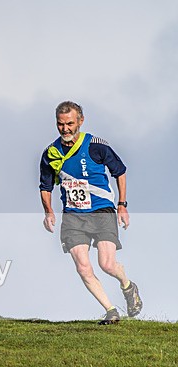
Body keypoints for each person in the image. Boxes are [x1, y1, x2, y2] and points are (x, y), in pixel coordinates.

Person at [39, 101, 142, 325]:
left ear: (80, 121)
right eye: (60, 124)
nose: (65, 129)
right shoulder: (51, 153)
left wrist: (122, 205)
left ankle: (127, 285)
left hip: (102, 211)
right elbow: (45, 186)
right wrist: (48, 212)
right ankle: (111, 311)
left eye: (70, 124)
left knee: (107, 264)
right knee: (83, 267)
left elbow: (120, 171)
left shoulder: (96, 145)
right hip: (73, 216)